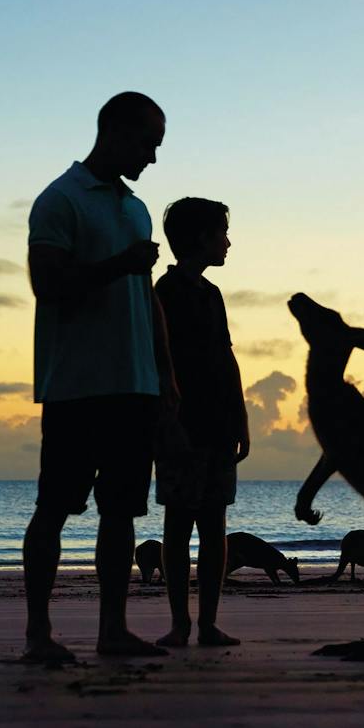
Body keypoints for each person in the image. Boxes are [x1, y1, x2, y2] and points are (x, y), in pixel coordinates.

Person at [21, 92, 178, 664]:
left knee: (121, 512)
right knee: (55, 508)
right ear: (113, 132)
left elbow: (146, 298)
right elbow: (48, 284)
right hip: (76, 386)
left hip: (133, 386)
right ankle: (39, 632)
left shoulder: (136, 208)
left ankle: (113, 628)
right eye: (148, 144)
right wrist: (122, 265)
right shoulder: (59, 200)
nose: (153, 159)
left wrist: (163, 372)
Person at [153, 198, 249, 647]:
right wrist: (167, 422)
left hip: (219, 423)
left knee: (214, 526)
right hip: (183, 424)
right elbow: (159, 358)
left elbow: (226, 356)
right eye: (222, 234)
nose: (228, 242)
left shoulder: (212, 294)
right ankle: (180, 622)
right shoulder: (166, 292)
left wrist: (241, 415)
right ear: (201, 238)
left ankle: (208, 622)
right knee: (178, 523)